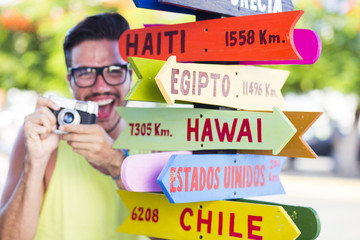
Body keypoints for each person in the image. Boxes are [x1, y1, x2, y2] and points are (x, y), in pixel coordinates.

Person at [0, 13, 152, 240]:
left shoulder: (154, 138)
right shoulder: (43, 137)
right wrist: (35, 163)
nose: (100, 87)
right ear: (69, 81)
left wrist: (116, 162)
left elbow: (170, 235)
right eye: (85, 73)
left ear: (130, 75)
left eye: (113, 71)